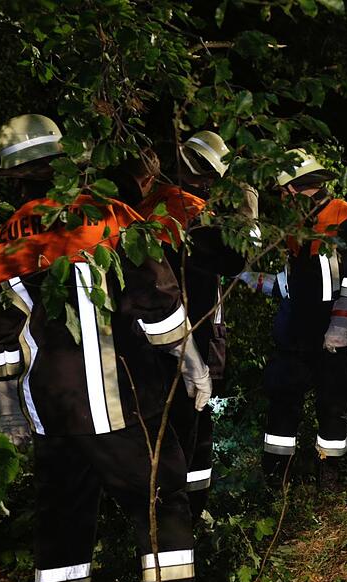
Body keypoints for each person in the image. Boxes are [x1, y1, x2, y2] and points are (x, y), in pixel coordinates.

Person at [0, 114, 211, 582]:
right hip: (120, 404)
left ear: (12, 175)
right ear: (68, 159)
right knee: (160, 510)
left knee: (61, 533)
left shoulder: (4, 243)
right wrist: (192, 363)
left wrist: (9, 410)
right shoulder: (108, 215)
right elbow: (160, 305)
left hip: (52, 415)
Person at [108, 136, 249, 518]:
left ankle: (156, 508)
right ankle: (184, 515)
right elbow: (234, 261)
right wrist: (246, 219)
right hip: (185, 338)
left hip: (136, 342)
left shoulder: (123, 211)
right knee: (190, 432)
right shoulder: (184, 207)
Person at [260, 149, 347, 490]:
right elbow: (293, 278)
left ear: (293, 187)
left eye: (282, 191)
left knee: (332, 404)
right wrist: (258, 282)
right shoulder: (296, 223)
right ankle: (276, 477)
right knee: (282, 401)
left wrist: (339, 328)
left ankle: (329, 475)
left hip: (330, 331)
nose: (281, 198)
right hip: (294, 329)